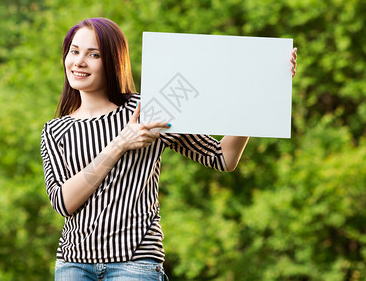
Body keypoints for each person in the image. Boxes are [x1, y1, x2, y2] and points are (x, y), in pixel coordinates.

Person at [41, 17, 298, 281]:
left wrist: (266, 87)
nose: (79, 62)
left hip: (134, 263)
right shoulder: (55, 131)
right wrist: (120, 144)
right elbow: (63, 203)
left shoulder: (148, 110)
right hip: (73, 265)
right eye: (74, 51)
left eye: (93, 54)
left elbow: (223, 157)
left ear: (112, 61)